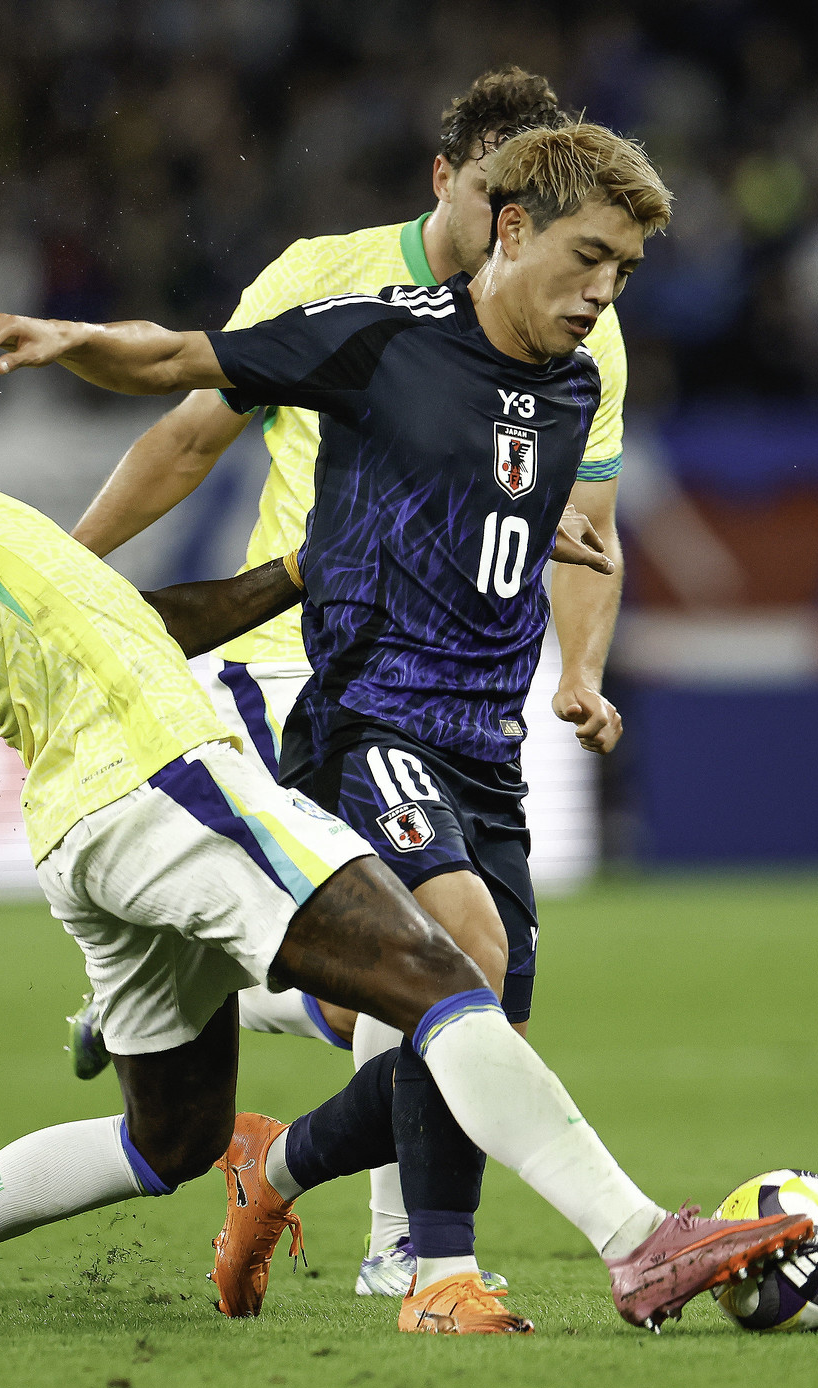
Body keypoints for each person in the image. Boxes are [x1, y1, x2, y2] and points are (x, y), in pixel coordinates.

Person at [0, 272, 814, 1337]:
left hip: (85, 830)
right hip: (164, 781)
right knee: (441, 976)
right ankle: (640, 1242)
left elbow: (148, 625)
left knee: (173, 1138)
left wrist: (311, 567)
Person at [0, 122, 748, 1334]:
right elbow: (181, 367)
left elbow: (518, 505)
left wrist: (567, 644)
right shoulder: (377, 334)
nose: (603, 294)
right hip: (369, 719)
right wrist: (69, 341)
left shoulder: (572, 385)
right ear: (509, 229)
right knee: (455, 961)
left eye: (624, 273)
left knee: (474, 1034)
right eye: (588, 259)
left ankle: (278, 1170)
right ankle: (448, 1279)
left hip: (486, 745)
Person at [65, 64, 632, 1302]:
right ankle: (414, 1257)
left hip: (466, 698)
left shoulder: (580, 324)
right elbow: (186, 434)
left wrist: (578, 670)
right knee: (432, 964)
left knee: (451, 1019)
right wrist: (63, 569)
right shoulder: (330, 283)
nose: (510, 230)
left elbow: (579, 517)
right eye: (492, 198)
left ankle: (224, 1078)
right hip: (303, 661)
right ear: (456, 185)